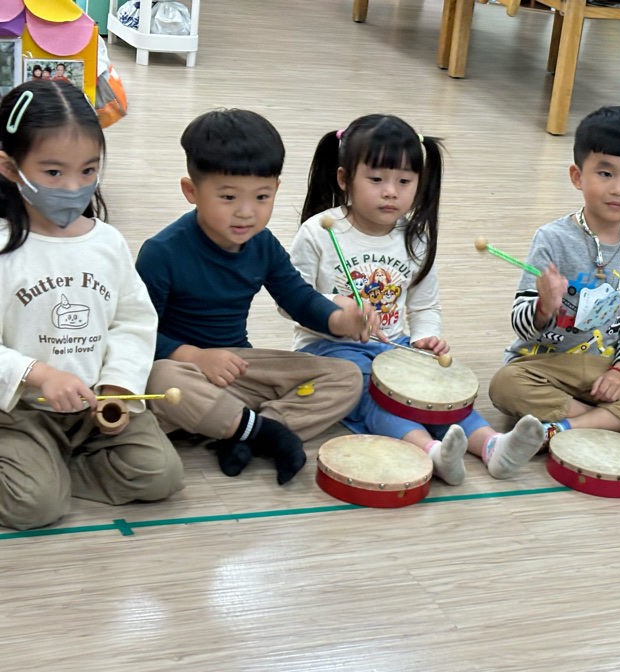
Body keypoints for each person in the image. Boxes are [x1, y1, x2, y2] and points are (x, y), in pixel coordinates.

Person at [290, 115, 544, 485]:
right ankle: (431, 451)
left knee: (436, 390)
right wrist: (335, 309)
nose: (391, 192)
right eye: (376, 179)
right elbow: (290, 299)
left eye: (404, 181)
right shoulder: (319, 231)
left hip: (393, 344)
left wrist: (426, 337)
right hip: (327, 348)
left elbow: (423, 306)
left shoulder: (414, 238)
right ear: (344, 179)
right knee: (374, 394)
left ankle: (491, 445)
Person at [136, 109, 365, 485]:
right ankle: (255, 430)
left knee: (347, 377)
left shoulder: (263, 244)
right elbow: (137, 335)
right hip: (184, 372)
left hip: (240, 371)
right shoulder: (162, 252)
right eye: (228, 197)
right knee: (160, 379)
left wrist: (340, 319)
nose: (246, 213)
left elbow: (298, 298)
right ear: (191, 191)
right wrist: (196, 357)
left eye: (262, 196)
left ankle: (245, 429)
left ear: (276, 188)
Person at [0, 80, 183, 530]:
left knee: (162, 475)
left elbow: (133, 322)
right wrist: (39, 374)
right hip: (18, 413)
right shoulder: (4, 246)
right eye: (53, 173)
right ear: (9, 167)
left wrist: (118, 386)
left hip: (93, 407)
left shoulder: (108, 242)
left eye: (88, 170)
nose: (74, 187)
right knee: (34, 507)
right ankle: (40, 478)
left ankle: (51, 473)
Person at [488, 106, 620, 448]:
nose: (619, 188)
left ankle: (566, 427)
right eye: (605, 173)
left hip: (606, 366)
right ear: (577, 176)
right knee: (505, 385)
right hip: (547, 365)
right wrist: (543, 307)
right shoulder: (552, 238)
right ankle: (611, 422)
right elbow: (521, 326)